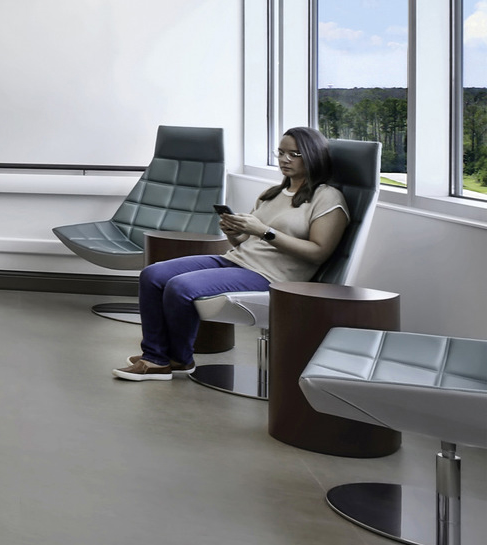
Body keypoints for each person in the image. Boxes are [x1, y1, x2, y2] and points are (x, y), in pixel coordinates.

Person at [114, 127, 349, 381]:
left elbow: (318, 253)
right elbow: (244, 242)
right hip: (236, 260)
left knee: (180, 286)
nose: (284, 159)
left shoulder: (326, 197)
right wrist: (232, 231)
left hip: (272, 276)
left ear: (313, 156)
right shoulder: (271, 194)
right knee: (153, 274)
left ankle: (178, 359)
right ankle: (155, 355)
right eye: (280, 153)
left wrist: (264, 231)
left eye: (295, 154)